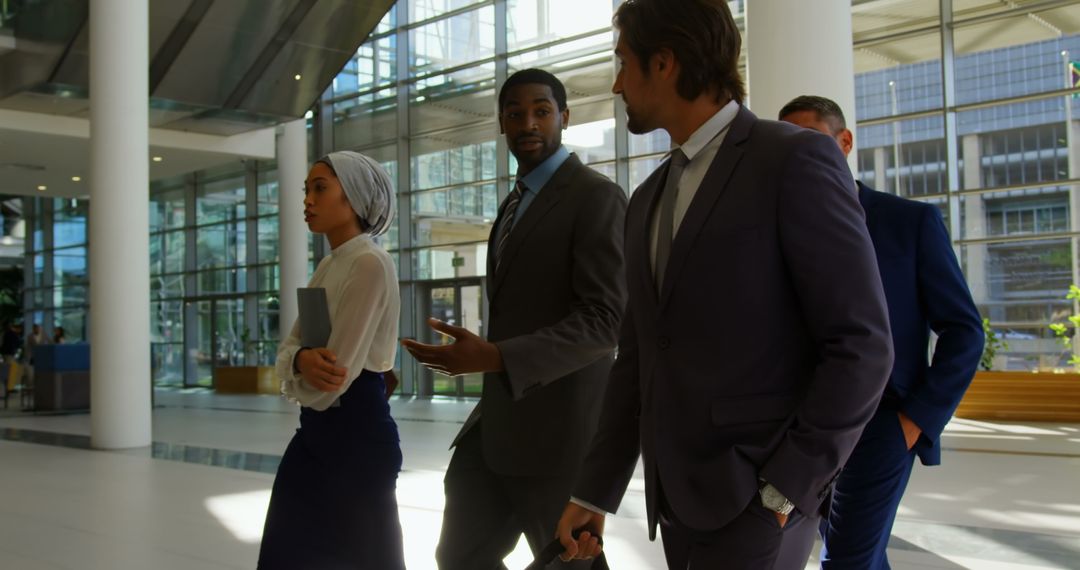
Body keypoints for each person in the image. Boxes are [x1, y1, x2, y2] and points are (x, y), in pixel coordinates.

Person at [555, 2, 895, 568]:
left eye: (623, 63)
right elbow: (638, 358)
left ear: (663, 63)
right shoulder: (646, 198)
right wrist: (595, 491)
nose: (616, 83)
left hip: (760, 502)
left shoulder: (793, 159)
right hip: (677, 504)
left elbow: (863, 344)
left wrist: (784, 490)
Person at [402, 68, 627, 568]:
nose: (529, 123)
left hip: (558, 437)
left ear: (564, 118)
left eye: (542, 111)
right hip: (495, 429)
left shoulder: (595, 196)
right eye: (515, 113)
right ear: (501, 123)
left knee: (570, 563)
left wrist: (497, 357)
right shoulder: (512, 205)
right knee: (460, 554)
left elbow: (604, 319)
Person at [779, 94, 984, 569]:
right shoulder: (781, 230)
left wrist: (916, 420)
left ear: (844, 142)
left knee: (846, 559)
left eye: (810, 140)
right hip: (807, 425)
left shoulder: (908, 221)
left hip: (883, 424)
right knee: (860, 553)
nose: (797, 154)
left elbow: (963, 329)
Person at [258, 151, 404, 569]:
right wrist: (301, 361)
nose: (308, 199)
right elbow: (291, 350)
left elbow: (334, 379)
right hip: (318, 434)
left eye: (320, 188)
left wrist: (298, 365)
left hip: (356, 440)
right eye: (307, 189)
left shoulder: (370, 264)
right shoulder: (330, 264)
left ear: (354, 197)